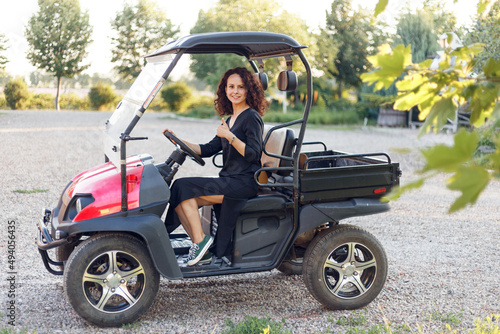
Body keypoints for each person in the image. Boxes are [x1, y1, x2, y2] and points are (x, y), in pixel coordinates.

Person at [164, 67, 267, 266]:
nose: (235, 91)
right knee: (178, 190)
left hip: (243, 182)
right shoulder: (230, 119)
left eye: (240, 87)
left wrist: (230, 136)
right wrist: (179, 141)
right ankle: (200, 243)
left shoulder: (251, 117)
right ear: (225, 90)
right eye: (231, 87)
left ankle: (201, 242)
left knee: (185, 188)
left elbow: (254, 154)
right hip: (230, 180)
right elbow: (209, 148)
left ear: (249, 90)